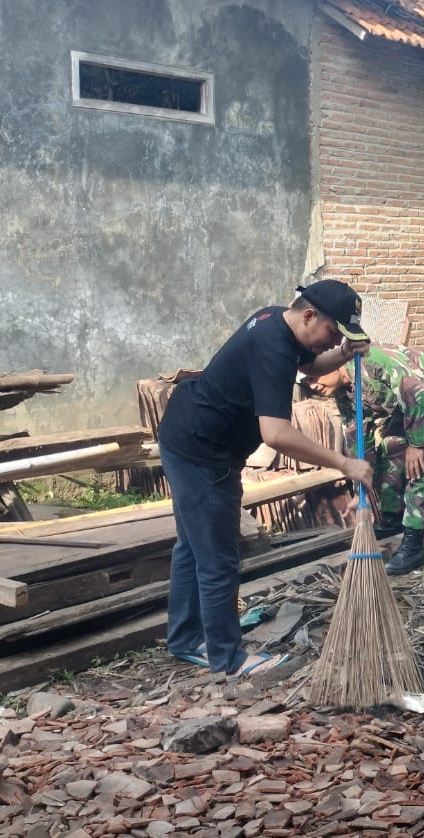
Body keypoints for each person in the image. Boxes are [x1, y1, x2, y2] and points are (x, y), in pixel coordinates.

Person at [157, 280, 374, 677]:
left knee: (192, 547)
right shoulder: (273, 346)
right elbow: (276, 434)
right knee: (218, 558)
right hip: (203, 452)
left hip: (187, 433)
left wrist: (342, 354)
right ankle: (229, 659)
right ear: (310, 315)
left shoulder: (279, 321)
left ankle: (186, 639)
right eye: (333, 332)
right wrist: (343, 464)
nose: (333, 341)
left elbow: (308, 367)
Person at [310, 339, 424, 576]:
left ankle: (413, 544)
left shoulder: (371, 360)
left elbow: (415, 391)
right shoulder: (344, 395)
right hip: (409, 406)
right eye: (307, 382)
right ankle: (392, 518)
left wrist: (418, 445)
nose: (313, 385)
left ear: (334, 364)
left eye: (315, 377)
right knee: (391, 447)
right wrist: (360, 489)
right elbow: (358, 440)